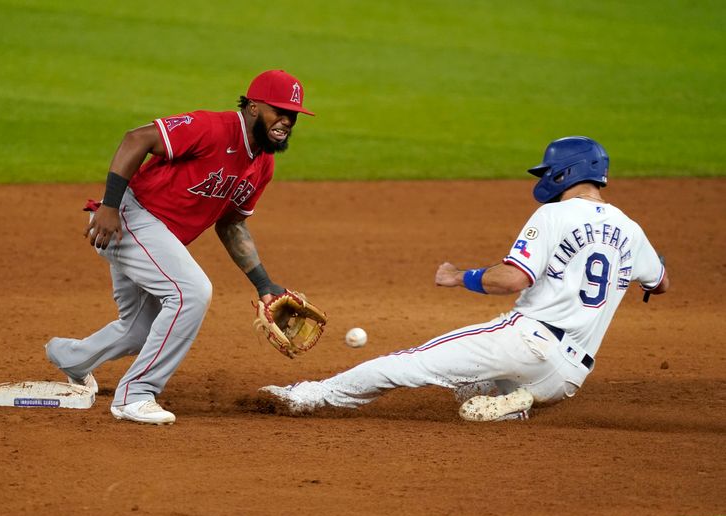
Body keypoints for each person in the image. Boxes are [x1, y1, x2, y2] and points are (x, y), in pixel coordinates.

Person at [260, 136, 669, 421]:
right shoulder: (631, 230)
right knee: (469, 389)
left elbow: (511, 280)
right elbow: (660, 282)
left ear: (566, 171)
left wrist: (461, 277)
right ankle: (511, 403)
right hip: (567, 378)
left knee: (405, 364)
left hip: (527, 344)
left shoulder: (554, 215)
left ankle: (309, 396)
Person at [45, 70, 316, 425]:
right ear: (252, 107)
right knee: (191, 291)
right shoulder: (212, 128)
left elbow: (232, 223)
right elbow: (135, 139)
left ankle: (70, 357)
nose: (286, 120)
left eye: (292, 114)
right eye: (278, 110)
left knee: (140, 328)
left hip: (154, 237)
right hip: (128, 218)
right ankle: (136, 394)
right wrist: (110, 205)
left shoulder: (262, 163)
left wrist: (264, 285)